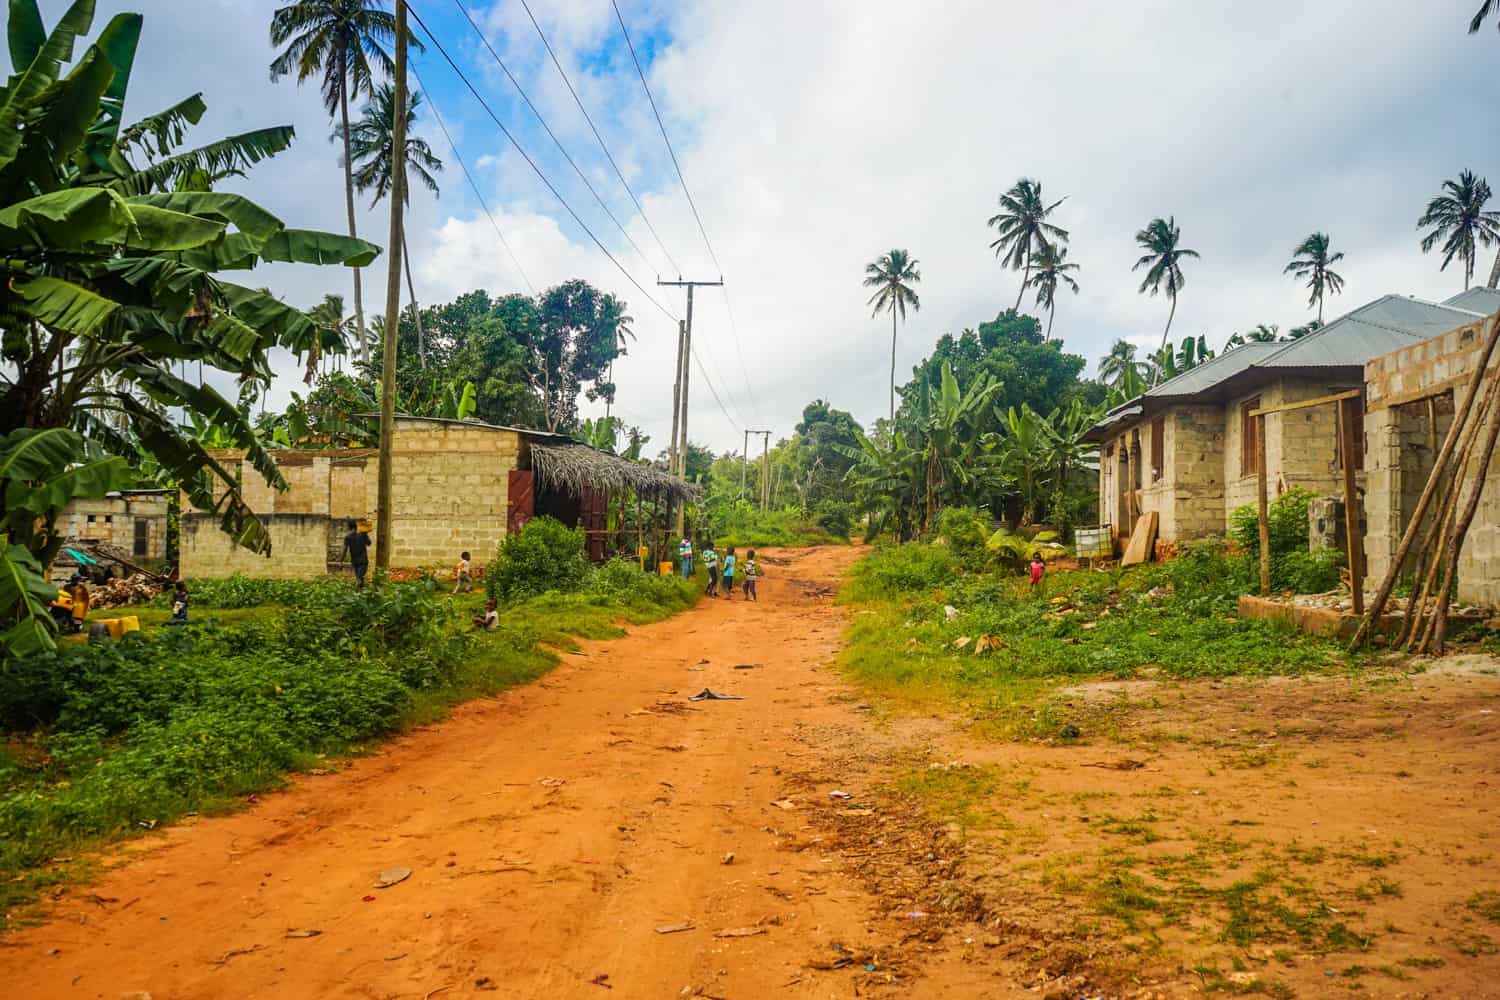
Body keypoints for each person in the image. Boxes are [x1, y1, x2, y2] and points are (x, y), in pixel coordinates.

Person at [341, 519, 371, 589]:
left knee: (359, 578)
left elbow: (344, 549)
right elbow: (369, 543)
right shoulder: (362, 535)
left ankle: (359, 593)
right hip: (363, 561)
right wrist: (365, 534)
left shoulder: (347, 537)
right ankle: (357, 592)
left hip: (355, 562)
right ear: (356, 526)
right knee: (360, 579)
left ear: (349, 527)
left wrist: (340, 560)